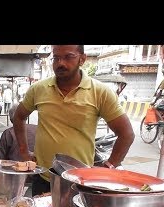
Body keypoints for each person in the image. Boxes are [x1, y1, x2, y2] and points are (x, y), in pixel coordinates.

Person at [12, 45, 135, 196]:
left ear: (82, 59)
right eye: (56, 58)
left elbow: (126, 134)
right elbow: (18, 116)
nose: (60, 63)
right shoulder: (38, 89)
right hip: (43, 178)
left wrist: (109, 166)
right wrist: (24, 151)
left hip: (80, 182)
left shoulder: (100, 92)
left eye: (68, 57)